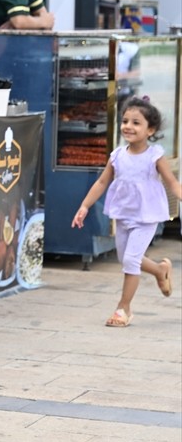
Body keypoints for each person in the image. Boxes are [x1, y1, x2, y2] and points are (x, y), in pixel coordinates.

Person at [71, 97, 180, 328]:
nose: (128, 126)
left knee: (130, 259)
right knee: (127, 258)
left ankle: (123, 309)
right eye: (125, 121)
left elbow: (172, 182)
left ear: (150, 130)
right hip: (123, 213)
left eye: (136, 123)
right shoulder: (117, 155)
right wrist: (84, 206)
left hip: (147, 215)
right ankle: (160, 270)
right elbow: (101, 183)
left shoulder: (155, 155)